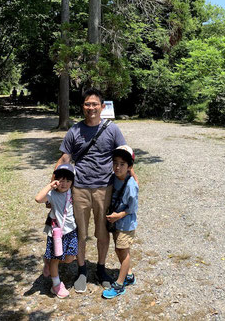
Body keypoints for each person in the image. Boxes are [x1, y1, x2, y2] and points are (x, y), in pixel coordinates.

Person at [55, 88, 133, 293]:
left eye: (95, 104)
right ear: (83, 106)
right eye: (87, 104)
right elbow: (65, 159)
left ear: (102, 106)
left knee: (102, 233)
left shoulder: (113, 130)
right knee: (80, 233)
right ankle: (82, 270)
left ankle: (101, 268)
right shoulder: (74, 131)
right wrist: (52, 186)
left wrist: (133, 180)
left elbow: (124, 155)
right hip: (79, 189)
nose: (91, 108)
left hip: (104, 189)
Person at [35, 164, 78, 298]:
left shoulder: (73, 192)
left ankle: (48, 261)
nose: (64, 184)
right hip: (57, 234)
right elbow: (38, 199)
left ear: (72, 182)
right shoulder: (52, 194)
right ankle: (56, 285)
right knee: (55, 259)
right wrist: (50, 185)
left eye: (68, 180)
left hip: (71, 232)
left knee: (69, 258)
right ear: (56, 181)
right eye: (61, 180)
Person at [103, 145, 138, 299]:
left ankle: (119, 285)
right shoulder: (114, 179)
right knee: (119, 250)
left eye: (122, 164)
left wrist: (118, 215)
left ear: (129, 166)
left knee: (123, 253)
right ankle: (129, 275)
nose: (117, 167)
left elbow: (132, 208)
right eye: (115, 163)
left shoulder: (131, 185)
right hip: (117, 223)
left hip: (125, 224)